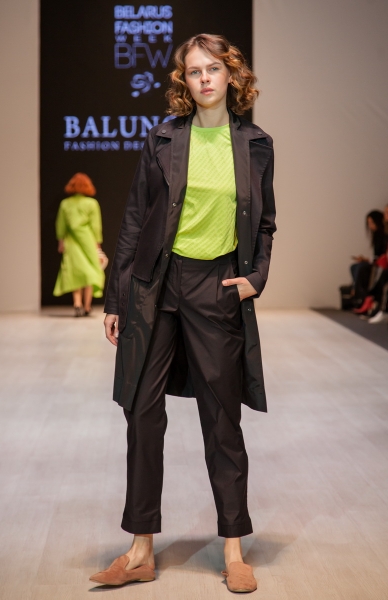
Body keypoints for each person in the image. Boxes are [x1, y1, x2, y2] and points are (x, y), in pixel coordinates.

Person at [90, 34, 276, 594]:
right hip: (155, 286)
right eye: (194, 71)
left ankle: (234, 549)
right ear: (184, 82)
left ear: (231, 75)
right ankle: (140, 549)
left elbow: (266, 223)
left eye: (214, 68)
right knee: (143, 414)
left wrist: (256, 278)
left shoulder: (257, 144)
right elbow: (134, 218)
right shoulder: (163, 138)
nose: (205, 79)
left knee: (222, 420)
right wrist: (116, 298)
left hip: (216, 286)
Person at [53, 173, 105, 316]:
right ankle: (87, 306)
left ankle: (77, 303)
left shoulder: (65, 203)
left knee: (75, 271)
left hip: (71, 240)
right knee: (90, 271)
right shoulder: (92, 203)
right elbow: (96, 226)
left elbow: (60, 225)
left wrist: (61, 241)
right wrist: (98, 244)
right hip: (88, 240)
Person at [351, 210, 386, 309]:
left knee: (361, 268)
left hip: (381, 263)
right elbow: (377, 255)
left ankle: (362, 297)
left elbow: (382, 255)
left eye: (371, 222)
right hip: (377, 261)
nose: (370, 226)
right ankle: (359, 295)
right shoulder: (377, 236)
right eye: (368, 223)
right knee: (354, 267)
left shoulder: (384, 235)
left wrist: (368, 260)